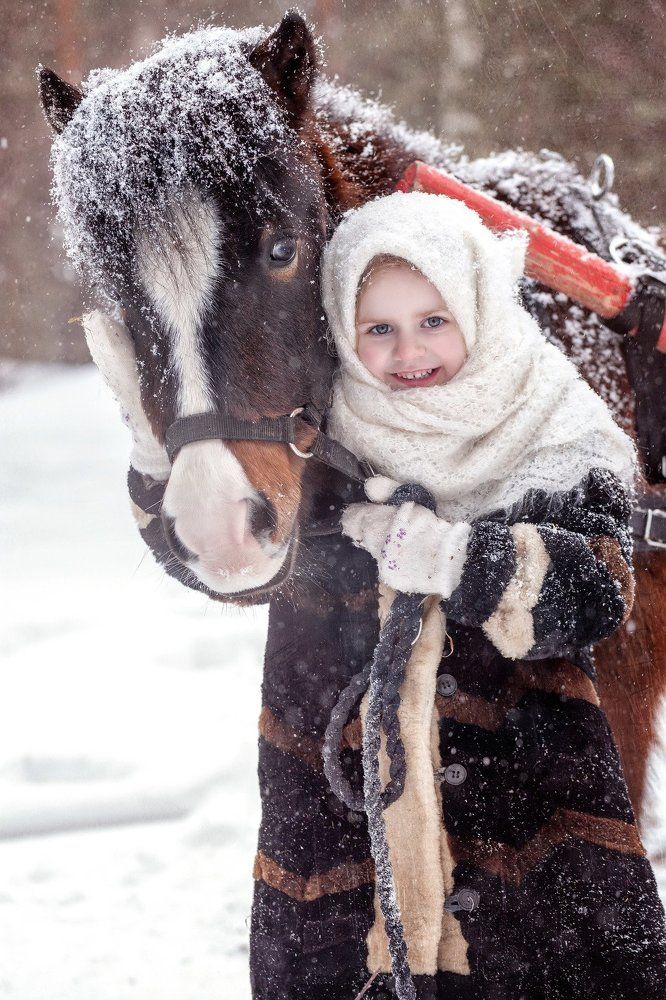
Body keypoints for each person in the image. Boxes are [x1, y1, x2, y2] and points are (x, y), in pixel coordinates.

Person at [317, 190, 666, 998]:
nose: (410, 352)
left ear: (478, 303)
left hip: (534, 811)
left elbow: (594, 588)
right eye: (379, 328)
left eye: (434, 320)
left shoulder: (551, 424)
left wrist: (456, 559)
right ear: (342, 326)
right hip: (367, 830)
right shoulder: (332, 435)